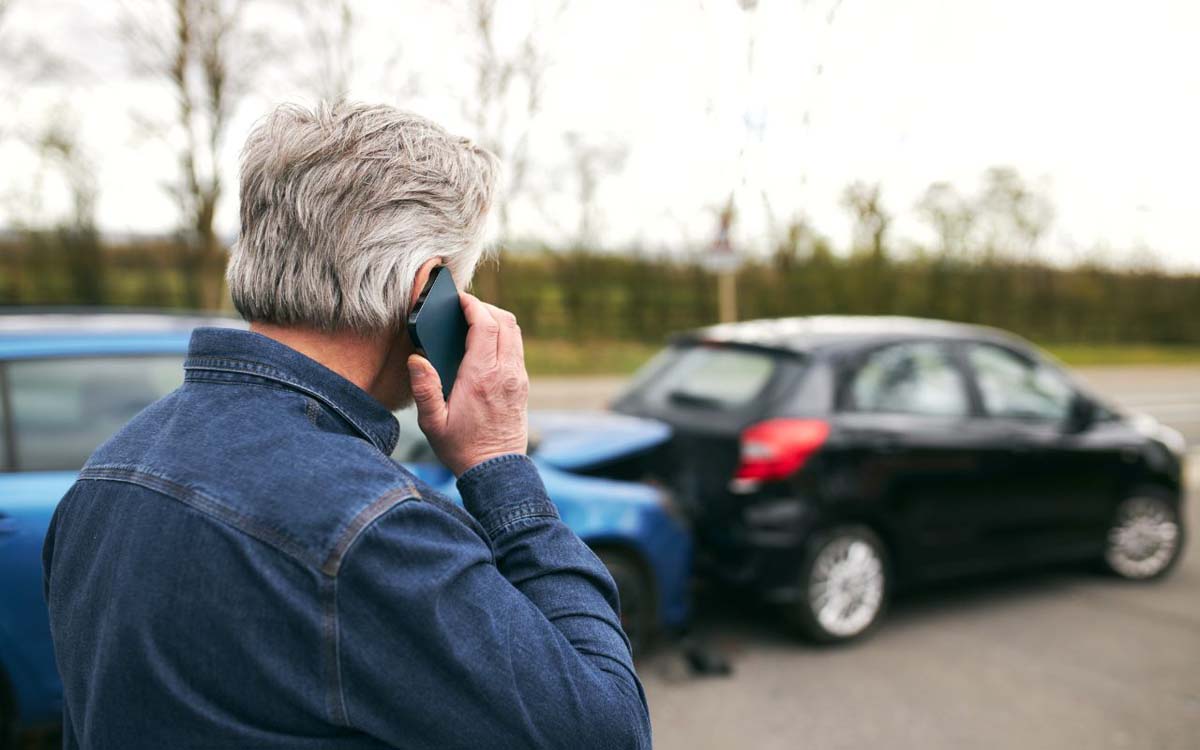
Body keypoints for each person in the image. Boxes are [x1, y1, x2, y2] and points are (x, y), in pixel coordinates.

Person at [42, 102, 652, 749]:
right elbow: (609, 733)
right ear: (427, 293)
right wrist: (501, 466)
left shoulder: (105, 474)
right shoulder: (372, 529)